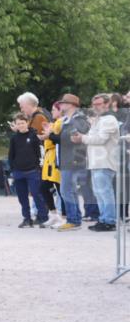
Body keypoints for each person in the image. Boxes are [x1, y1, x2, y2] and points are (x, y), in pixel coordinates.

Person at [72, 93, 121, 232]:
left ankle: (110, 221)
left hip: (105, 161)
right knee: (99, 192)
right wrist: (83, 138)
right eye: (94, 104)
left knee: (105, 192)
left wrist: (83, 138)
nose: (95, 107)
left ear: (107, 104)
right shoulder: (100, 119)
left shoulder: (110, 119)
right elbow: (93, 138)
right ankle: (104, 218)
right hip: (96, 161)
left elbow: (100, 139)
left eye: (98, 104)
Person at [50, 94, 98, 231]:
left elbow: (72, 136)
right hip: (68, 158)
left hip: (74, 159)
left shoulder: (79, 119)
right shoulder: (69, 119)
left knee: (67, 190)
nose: (61, 105)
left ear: (71, 104)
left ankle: (73, 219)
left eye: (63, 103)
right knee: (69, 191)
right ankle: (74, 218)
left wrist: (54, 135)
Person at [8, 113, 48, 228]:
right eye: (18, 123)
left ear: (27, 123)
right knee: (22, 197)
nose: (20, 125)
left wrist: (38, 167)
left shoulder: (34, 136)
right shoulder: (14, 138)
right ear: (15, 125)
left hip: (32, 171)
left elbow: (39, 152)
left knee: (37, 194)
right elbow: (11, 155)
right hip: (18, 171)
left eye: (22, 123)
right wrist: (12, 170)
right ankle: (27, 218)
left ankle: (43, 218)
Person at [40, 101, 64, 227]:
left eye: (54, 109)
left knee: (60, 188)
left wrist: (48, 133)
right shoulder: (55, 123)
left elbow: (54, 138)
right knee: (44, 187)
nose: (52, 112)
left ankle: (64, 217)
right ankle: (54, 214)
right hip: (49, 158)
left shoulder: (60, 123)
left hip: (55, 157)